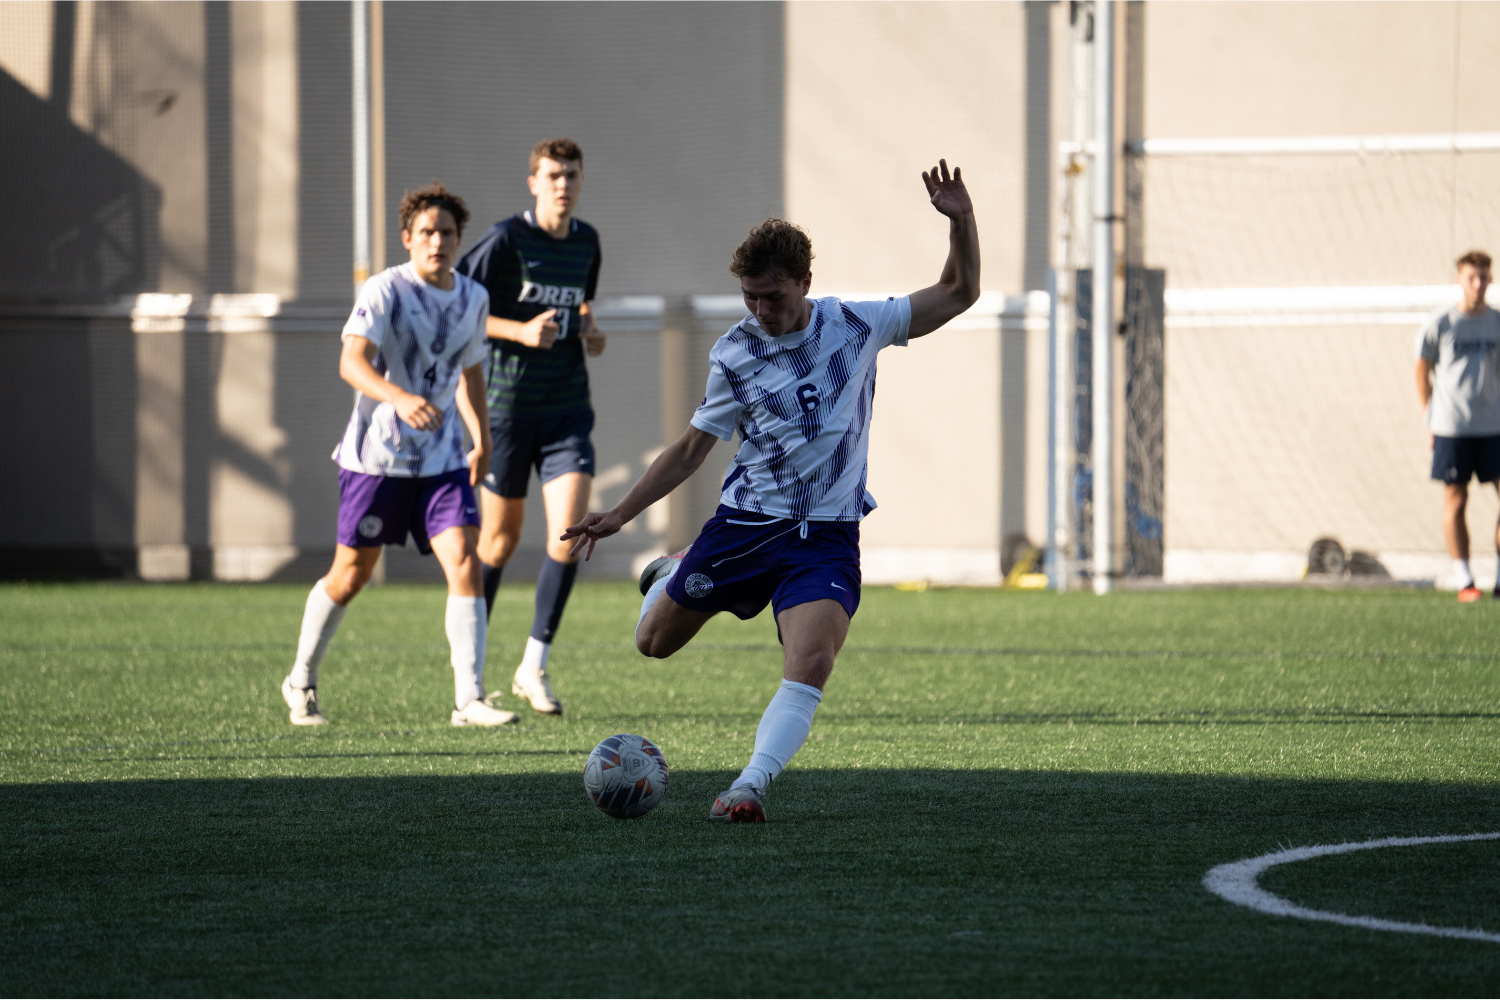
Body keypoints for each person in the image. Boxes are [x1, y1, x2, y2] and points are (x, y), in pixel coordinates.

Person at [562, 159, 979, 822]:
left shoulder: (858, 324)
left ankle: (748, 787)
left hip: (825, 537)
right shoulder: (735, 352)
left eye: (773, 297)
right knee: (653, 646)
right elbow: (693, 448)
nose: (761, 310)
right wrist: (619, 514)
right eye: (751, 297)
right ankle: (671, 572)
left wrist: (961, 223)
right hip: (745, 527)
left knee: (810, 663)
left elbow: (959, 293)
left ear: (805, 283)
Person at [279, 182, 518, 728]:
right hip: (376, 460)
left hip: (442, 460)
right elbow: (352, 363)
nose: (437, 241)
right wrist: (402, 397)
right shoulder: (386, 290)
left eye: (447, 233)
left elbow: (470, 370)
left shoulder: (474, 298)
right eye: (427, 232)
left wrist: (479, 436)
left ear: (459, 241)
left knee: (463, 558)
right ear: (408, 238)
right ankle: (301, 679)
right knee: (351, 575)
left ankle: (470, 699)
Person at [455, 138, 605, 716]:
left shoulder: (588, 241)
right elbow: (461, 309)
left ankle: (533, 666)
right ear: (533, 183)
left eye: (571, 174)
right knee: (498, 541)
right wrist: (518, 332)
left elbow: (583, 314)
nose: (562, 183)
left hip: (567, 409)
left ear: (580, 180)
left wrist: (591, 333)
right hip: (507, 411)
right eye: (552, 175)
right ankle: (471, 678)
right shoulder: (505, 240)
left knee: (569, 533)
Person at [1416, 249, 1500, 603]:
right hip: (1452, 427)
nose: (1478, 283)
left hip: (1493, 426)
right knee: (1456, 499)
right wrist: (1430, 419)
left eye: (1483, 277)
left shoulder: (1497, 322)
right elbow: (1423, 374)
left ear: (1491, 279)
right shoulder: (1441, 324)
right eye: (1471, 277)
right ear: (1459, 279)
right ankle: (1465, 580)